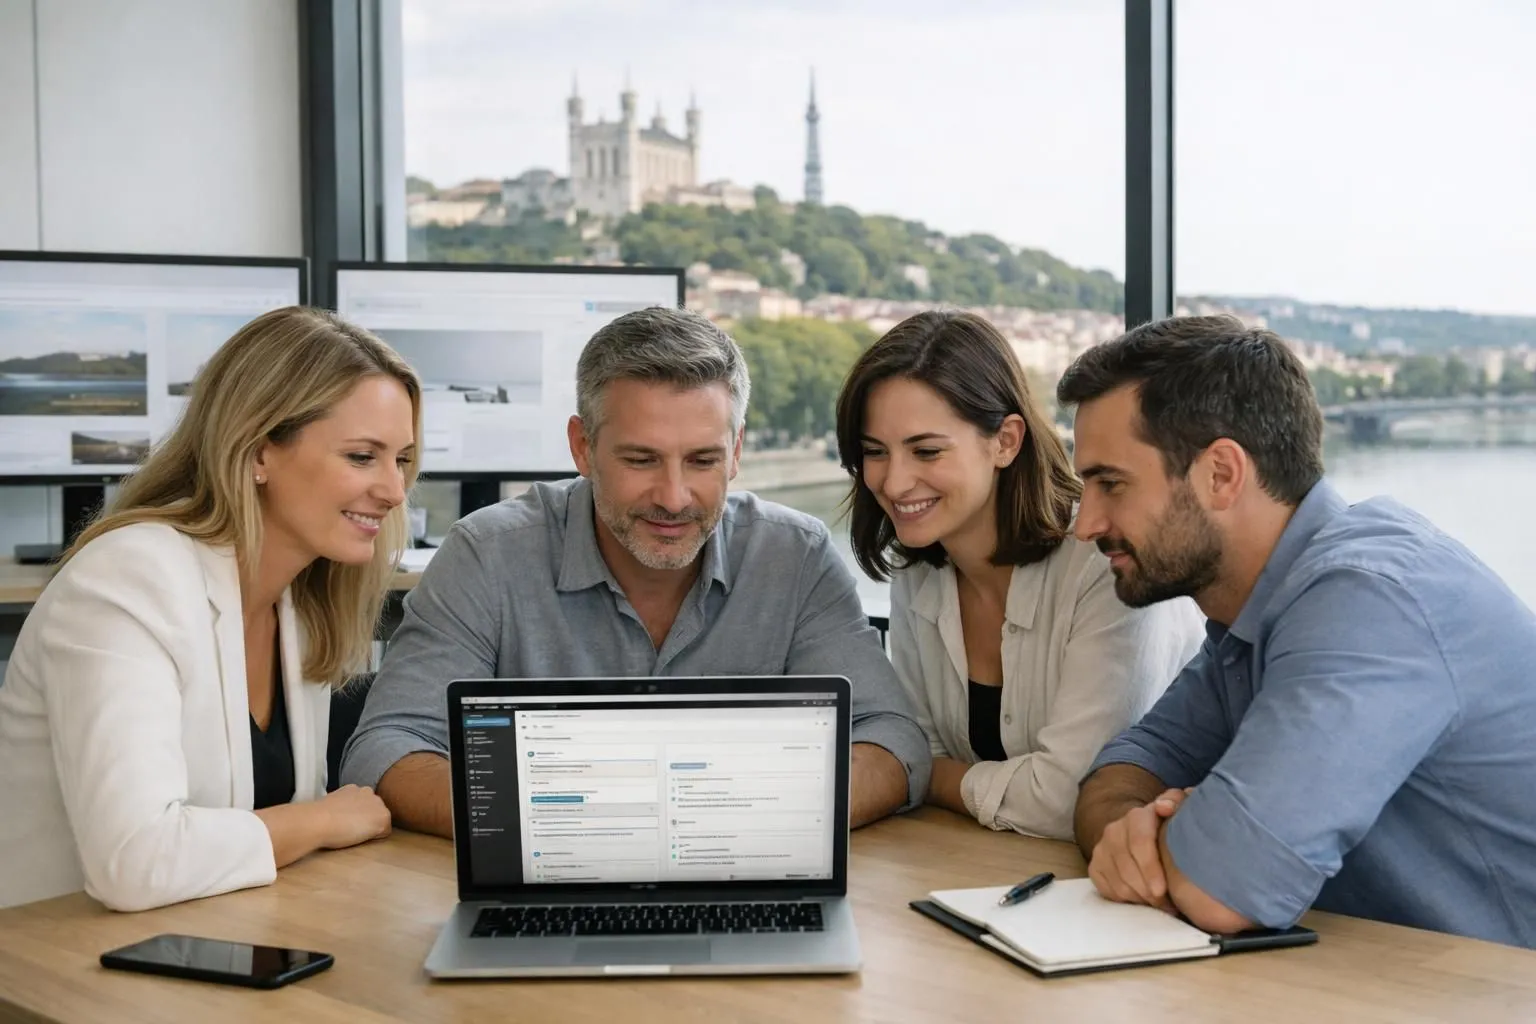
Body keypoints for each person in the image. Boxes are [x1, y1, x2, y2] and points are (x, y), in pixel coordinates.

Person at [341, 306, 931, 833]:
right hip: (548, 874)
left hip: (737, 864)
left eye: (702, 460)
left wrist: (744, 819)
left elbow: (893, 739)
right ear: (582, 447)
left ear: (736, 452)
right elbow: (386, 748)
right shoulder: (486, 554)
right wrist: (569, 825)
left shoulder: (796, 556)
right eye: (641, 460)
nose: (673, 498)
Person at [1060, 314, 1536, 948]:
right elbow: (1128, 766)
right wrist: (1134, 833)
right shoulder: (1258, 612)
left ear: (1221, 474)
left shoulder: (1368, 599)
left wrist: (1191, 845)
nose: (1085, 524)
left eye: (1110, 484)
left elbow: (1221, 888)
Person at [0, 307, 418, 911]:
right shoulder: (127, 578)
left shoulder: (302, 602)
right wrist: (324, 818)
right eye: (361, 457)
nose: (394, 491)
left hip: (206, 936)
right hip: (58, 952)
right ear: (258, 451)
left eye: (401, 460)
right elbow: (135, 862)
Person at [833, 311, 1203, 840]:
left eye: (926, 451)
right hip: (983, 867)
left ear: (1005, 441)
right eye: (874, 452)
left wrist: (931, 777)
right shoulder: (919, 570)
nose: (893, 483)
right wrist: (929, 770)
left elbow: (1071, 797)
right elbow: (918, 746)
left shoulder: (1108, 563)